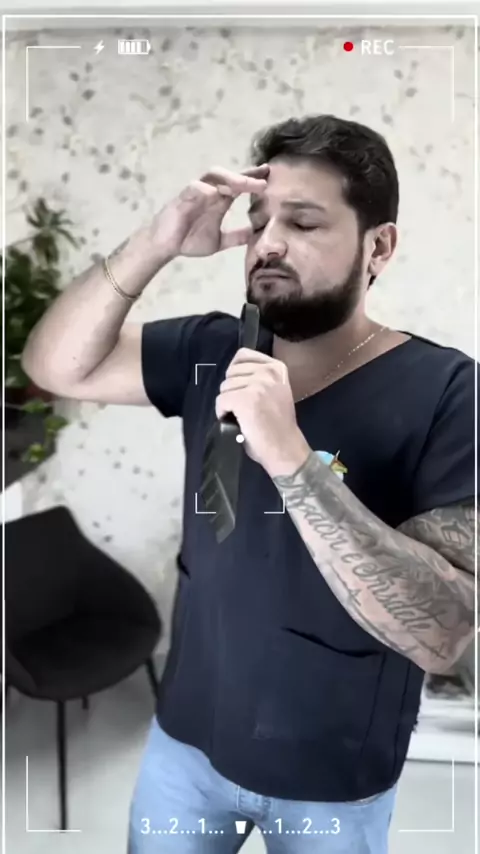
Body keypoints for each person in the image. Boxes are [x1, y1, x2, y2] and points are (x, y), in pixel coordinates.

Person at [22, 114, 476, 854]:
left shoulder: (449, 391)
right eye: (260, 220)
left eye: (303, 221)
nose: (267, 242)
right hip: (185, 746)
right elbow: (53, 366)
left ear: (379, 247)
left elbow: (443, 631)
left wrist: (292, 458)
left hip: (333, 774)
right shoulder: (210, 349)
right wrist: (156, 243)